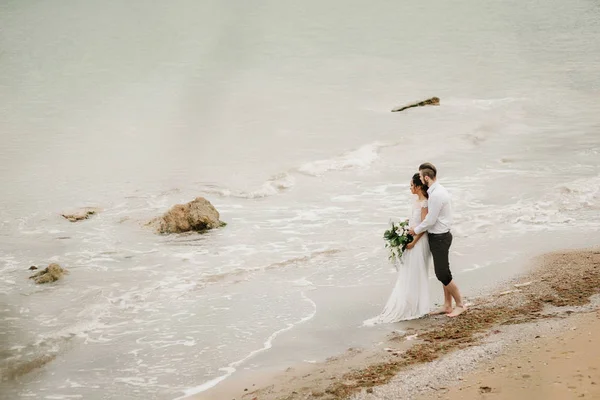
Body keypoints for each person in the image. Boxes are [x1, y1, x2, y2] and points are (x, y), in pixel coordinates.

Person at [364, 173, 431, 324]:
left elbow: (425, 226)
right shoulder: (415, 201)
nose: (410, 188)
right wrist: (403, 228)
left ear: (419, 186)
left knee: (417, 272)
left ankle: (419, 306)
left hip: (419, 241)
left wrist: (413, 242)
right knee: (408, 272)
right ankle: (411, 303)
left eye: (411, 186)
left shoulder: (425, 203)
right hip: (411, 237)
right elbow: (413, 220)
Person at [409, 163, 466, 318]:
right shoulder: (437, 191)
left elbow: (430, 220)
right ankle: (447, 305)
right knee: (444, 271)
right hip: (439, 236)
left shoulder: (436, 195)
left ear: (426, 177)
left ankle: (460, 304)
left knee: (442, 274)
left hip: (440, 237)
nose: (420, 179)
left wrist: (415, 230)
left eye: (421, 177)